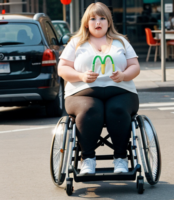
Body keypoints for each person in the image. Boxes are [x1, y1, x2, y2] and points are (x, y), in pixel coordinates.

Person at [58, 2, 140, 175]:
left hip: (120, 90)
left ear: (109, 22)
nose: (98, 22)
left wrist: (124, 76)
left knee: (117, 110)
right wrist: (80, 76)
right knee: (90, 110)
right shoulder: (76, 42)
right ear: (86, 23)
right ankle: (87, 159)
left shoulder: (121, 41)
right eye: (93, 18)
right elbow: (62, 68)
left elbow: (135, 66)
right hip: (81, 93)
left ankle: (121, 159)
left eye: (102, 18)